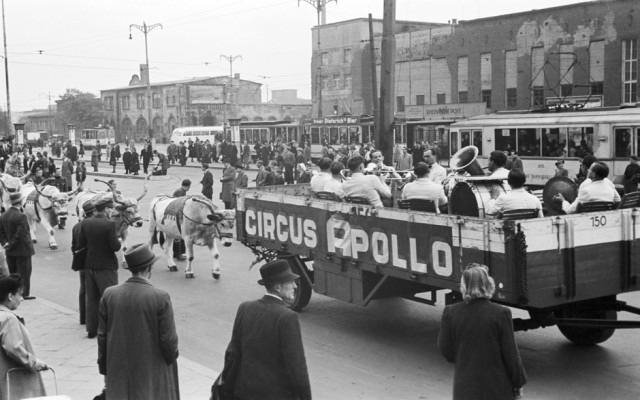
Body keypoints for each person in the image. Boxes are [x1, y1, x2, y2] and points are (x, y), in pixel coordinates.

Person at [98, 244, 180, 400]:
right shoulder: (160, 297)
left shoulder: (109, 294)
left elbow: (102, 337)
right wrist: (170, 360)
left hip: (119, 369)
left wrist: (105, 369)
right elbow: (169, 341)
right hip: (151, 370)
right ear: (150, 268)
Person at [223, 259, 311, 400]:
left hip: (243, 393)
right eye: (290, 282)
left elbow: (232, 353)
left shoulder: (245, 308)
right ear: (277, 287)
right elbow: (297, 368)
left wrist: (228, 388)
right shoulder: (287, 317)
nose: (295, 286)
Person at [438, 264, 527, 400]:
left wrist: (465, 359)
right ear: (488, 285)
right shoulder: (501, 314)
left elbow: (445, 349)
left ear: (464, 287)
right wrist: (518, 383)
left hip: (465, 388)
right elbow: (511, 355)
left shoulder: (451, 313)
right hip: (497, 389)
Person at [77, 197, 121, 338]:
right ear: (106, 209)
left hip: (90, 265)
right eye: (111, 208)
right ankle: (110, 328)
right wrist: (118, 240)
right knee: (109, 297)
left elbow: (81, 244)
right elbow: (114, 247)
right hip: (106, 266)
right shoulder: (109, 225)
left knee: (92, 298)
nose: (112, 211)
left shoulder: (86, 224)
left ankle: (92, 329)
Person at [0, 274, 48, 400]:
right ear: (10, 296)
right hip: (12, 379)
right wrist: (34, 363)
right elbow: (13, 347)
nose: (21, 299)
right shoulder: (8, 318)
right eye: (19, 294)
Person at [0, 193, 35, 300]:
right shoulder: (21, 216)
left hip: (9, 250)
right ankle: (24, 293)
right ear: (20, 203)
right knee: (24, 273)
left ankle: (14, 293)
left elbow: (1, 232)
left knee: (12, 273)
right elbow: (20, 233)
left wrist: (5, 243)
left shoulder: (3, 215)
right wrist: (11, 243)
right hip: (23, 250)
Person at [72, 200, 96, 325]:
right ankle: (90, 318)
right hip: (91, 262)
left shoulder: (77, 226)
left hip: (81, 261)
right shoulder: (92, 224)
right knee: (91, 291)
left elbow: (73, 246)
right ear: (94, 211)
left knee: (83, 289)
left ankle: (83, 317)